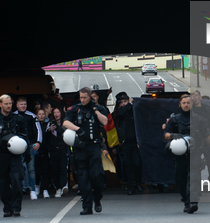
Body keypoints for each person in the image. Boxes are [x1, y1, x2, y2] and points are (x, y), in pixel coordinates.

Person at [165, 94, 210, 214]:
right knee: (181, 179)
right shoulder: (174, 119)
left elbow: (207, 137)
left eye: (188, 103)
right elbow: (165, 134)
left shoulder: (200, 119)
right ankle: (186, 200)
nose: (186, 105)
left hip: (195, 152)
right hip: (180, 155)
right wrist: (172, 135)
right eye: (184, 103)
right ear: (180, 104)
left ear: (192, 105)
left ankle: (193, 202)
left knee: (194, 178)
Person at [63, 87, 109, 215]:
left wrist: (95, 110)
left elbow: (105, 121)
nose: (82, 100)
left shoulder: (98, 109)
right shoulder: (75, 109)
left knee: (97, 176)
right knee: (83, 178)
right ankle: (87, 206)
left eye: (85, 98)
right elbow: (65, 122)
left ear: (90, 97)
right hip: (80, 148)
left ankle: (97, 198)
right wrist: (78, 129)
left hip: (94, 146)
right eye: (81, 97)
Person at [0, 94, 30, 217]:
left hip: (15, 156)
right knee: (3, 182)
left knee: (16, 180)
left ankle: (16, 207)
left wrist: (27, 152)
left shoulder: (18, 119)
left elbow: (25, 135)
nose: (8, 106)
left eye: (10, 103)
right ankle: (7, 207)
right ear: (0, 105)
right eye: (6, 103)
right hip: (1, 155)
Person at [113, 92, 143, 195]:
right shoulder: (119, 113)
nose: (124, 104)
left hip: (134, 142)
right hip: (125, 143)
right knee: (128, 165)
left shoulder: (133, 111)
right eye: (122, 102)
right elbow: (120, 114)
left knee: (137, 163)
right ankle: (131, 186)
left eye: (125, 101)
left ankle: (138, 183)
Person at [13, 97, 41, 200]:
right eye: (21, 104)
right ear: (17, 105)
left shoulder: (31, 116)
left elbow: (38, 129)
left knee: (31, 168)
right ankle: (20, 188)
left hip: (30, 145)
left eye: (24, 104)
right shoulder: (13, 116)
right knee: (18, 168)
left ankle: (32, 190)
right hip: (17, 146)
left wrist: (38, 142)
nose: (23, 106)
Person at [48, 107, 69, 198]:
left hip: (63, 148)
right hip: (53, 150)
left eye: (58, 112)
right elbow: (46, 137)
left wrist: (59, 129)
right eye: (54, 112)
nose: (56, 114)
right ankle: (58, 188)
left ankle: (64, 185)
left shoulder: (65, 123)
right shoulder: (50, 123)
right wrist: (49, 130)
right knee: (55, 169)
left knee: (63, 168)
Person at [35, 109, 51, 198]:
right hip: (36, 150)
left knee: (45, 170)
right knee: (37, 170)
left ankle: (45, 189)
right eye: (39, 114)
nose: (41, 116)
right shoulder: (35, 125)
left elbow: (47, 138)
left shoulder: (47, 125)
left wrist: (48, 131)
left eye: (43, 114)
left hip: (45, 150)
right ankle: (37, 186)